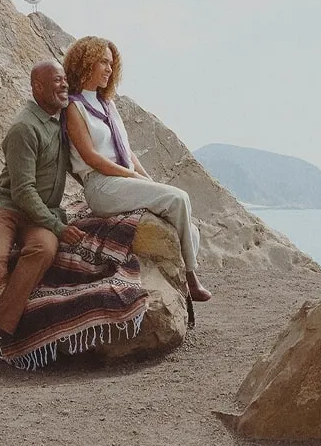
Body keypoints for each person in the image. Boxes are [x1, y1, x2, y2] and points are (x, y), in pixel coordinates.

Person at [0, 60, 86, 379]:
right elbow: (22, 191)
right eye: (56, 81)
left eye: (65, 80)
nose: (64, 85)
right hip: (9, 209)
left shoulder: (63, 122)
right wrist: (58, 227)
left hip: (41, 214)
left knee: (44, 249)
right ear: (37, 87)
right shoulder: (24, 127)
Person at [63, 36, 212, 302]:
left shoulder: (108, 105)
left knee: (189, 228)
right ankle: (191, 278)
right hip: (101, 186)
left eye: (111, 63)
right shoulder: (74, 107)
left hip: (122, 180)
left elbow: (127, 151)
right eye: (103, 62)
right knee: (179, 198)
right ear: (86, 63)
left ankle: (178, 275)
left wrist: (147, 180)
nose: (109, 69)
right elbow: (91, 157)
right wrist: (131, 175)